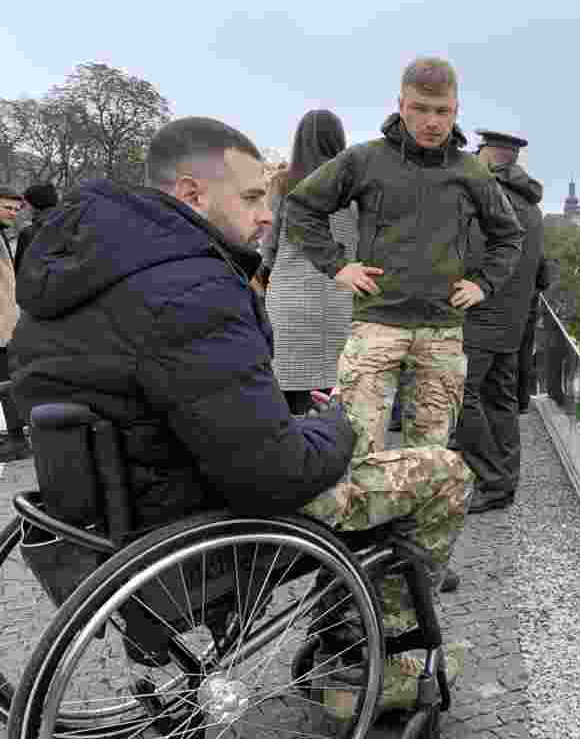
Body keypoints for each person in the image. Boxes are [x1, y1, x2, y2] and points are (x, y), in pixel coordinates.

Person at [9, 116, 471, 715]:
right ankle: (373, 659)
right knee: (442, 472)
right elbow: (274, 475)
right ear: (191, 193)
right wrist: (335, 427)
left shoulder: (66, 283)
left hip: (108, 518)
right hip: (202, 517)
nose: (266, 216)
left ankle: (342, 624)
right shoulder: (193, 287)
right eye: (252, 197)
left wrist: (287, 424)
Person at [284, 57, 523, 463]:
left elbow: (509, 236)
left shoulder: (471, 173)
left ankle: (413, 528)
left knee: (429, 456)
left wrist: (483, 284)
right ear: (401, 105)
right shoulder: (364, 160)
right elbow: (301, 208)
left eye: (442, 111)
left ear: (456, 110)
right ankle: (363, 528)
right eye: (421, 109)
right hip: (377, 323)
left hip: (442, 330)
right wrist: (338, 266)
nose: (432, 121)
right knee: (359, 448)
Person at [458, 129, 545, 514]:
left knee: (459, 399)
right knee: (501, 401)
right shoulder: (532, 206)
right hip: (513, 322)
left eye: (479, 151)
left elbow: (472, 259)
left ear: (491, 156)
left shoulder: (488, 196)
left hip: (479, 315)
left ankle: (490, 478)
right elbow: (542, 271)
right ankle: (504, 481)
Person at [261, 110, 357, 416]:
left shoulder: (283, 184)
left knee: (286, 399)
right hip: (338, 300)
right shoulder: (356, 189)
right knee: (331, 398)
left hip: (289, 302)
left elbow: (269, 248)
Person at [0, 184, 29, 461]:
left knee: (7, 381)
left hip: (6, 323)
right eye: (7, 207)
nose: (12, 213)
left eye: (15, 209)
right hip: (4, 321)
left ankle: (17, 439)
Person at [517, 255, 552, 413]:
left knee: (506, 355)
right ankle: (522, 402)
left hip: (505, 313)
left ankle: (507, 398)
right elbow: (544, 283)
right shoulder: (537, 253)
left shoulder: (500, 246)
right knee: (524, 356)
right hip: (528, 312)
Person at [15, 182, 60, 274]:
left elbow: (20, 271)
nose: (22, 209)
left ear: (35, 204)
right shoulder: (75, 226)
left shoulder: (29, 233)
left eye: (25, 204)